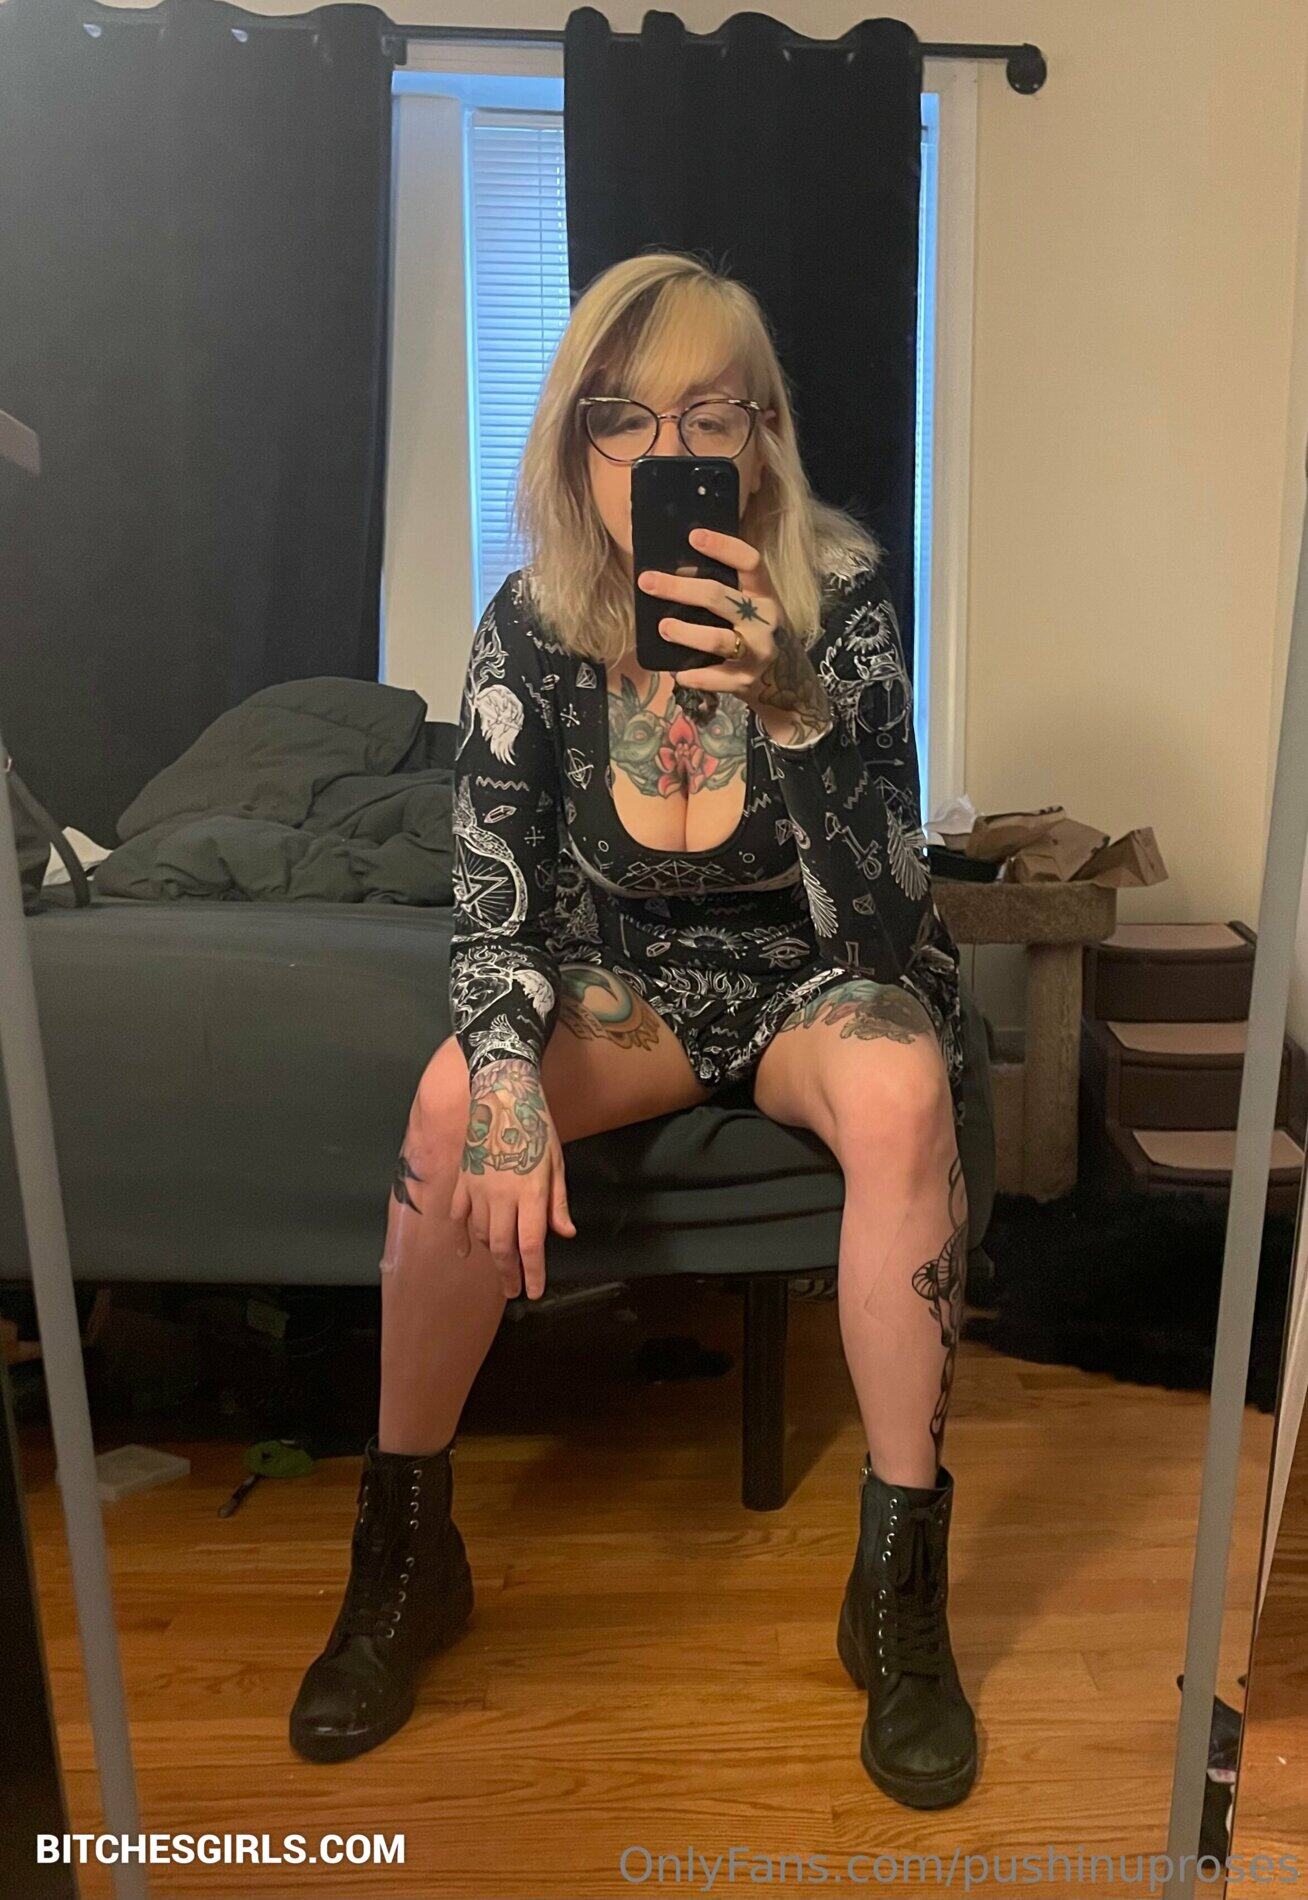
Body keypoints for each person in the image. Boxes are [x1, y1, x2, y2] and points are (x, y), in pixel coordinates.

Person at [290, 251, 977, 1808]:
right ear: (575, 440)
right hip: (630, 982)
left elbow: (889, 930)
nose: (663, 454)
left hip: (810, 977)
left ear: (762, 438)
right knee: (449, 1101)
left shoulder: (847, 604)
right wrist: (507, 1077)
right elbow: (495, 903)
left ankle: (901, 1594)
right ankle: (406, 1558)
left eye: (706, 416)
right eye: (622, 417)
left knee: (902, 1089)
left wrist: (794, 708)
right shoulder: (533, 625)